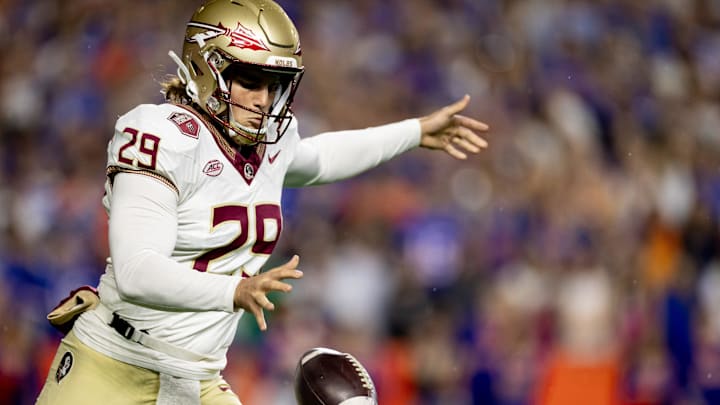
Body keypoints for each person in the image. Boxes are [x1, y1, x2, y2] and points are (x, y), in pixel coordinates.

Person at [35, 0, 489, 404]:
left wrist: (413, 133)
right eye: (250, 80)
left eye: (274, 83)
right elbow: (136, 272)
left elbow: (320, 158)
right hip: (114, 363)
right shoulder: (161, 134)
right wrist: (232, 291)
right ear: (207, 68)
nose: (264, 99)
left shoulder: (270, 142)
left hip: (199, 380)